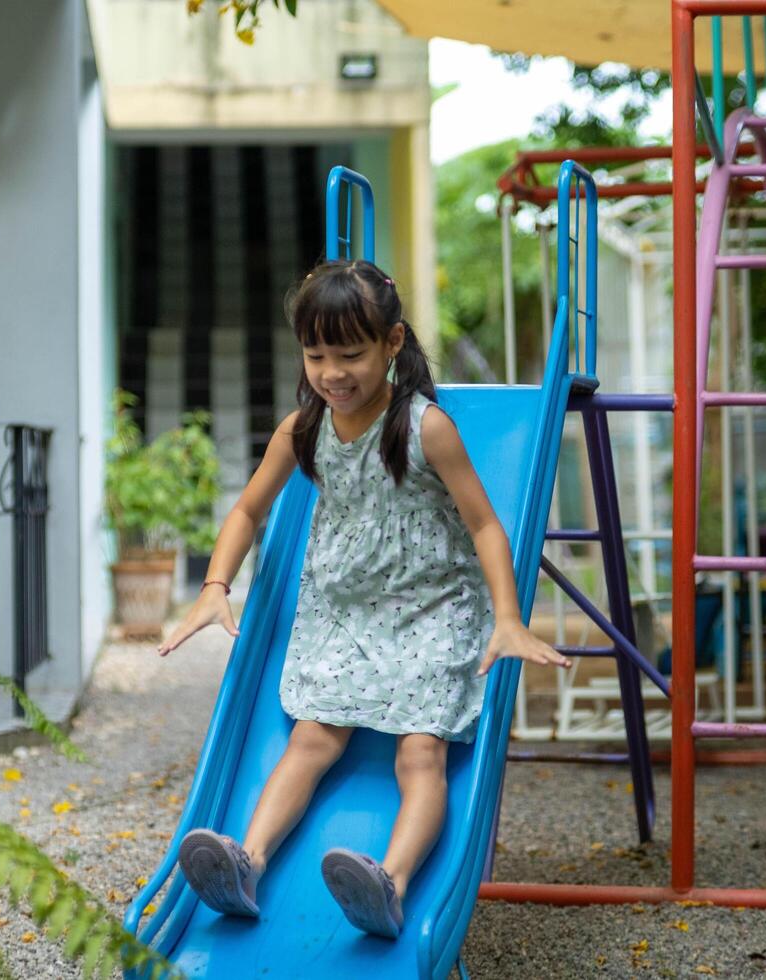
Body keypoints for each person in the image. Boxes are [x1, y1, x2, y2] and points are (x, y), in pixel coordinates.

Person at [155, 258, 570, 939]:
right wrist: (213, 588)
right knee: (313, 739)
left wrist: (508, 619)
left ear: (393, 345)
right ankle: (247, 864)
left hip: (433, 611)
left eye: (350, 354)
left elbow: (487, 525)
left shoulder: (424, 426)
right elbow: (248, 511)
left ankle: (390, 884)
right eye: (316, 355)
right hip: (345, 614)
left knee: (420, 753)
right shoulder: (305, 428)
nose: (332, 373)